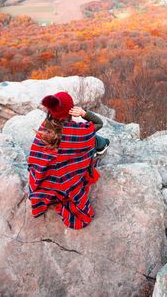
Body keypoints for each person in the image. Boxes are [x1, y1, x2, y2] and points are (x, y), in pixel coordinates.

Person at [26, 91, 109, 230]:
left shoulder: (44, 129)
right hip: (68, 180)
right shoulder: (77, 131)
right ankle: (101, 147)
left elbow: (34, 160)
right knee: (97, 140)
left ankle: (97, 146)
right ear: (70, 111)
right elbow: (98, 123)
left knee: (88, 141)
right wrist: (84, 113)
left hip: (47, 182)